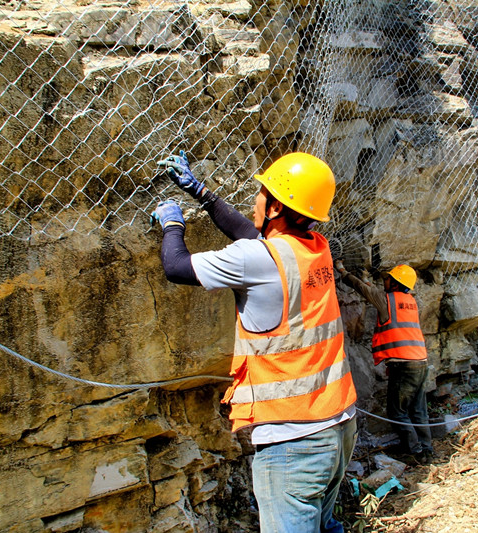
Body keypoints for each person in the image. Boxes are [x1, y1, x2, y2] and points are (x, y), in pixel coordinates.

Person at [151, 151, 358, 533]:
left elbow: (176, 267)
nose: (255, 199)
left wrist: (172, 224)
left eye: (262, 193)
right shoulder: (316, 247)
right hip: (339, 426)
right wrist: (203, 194)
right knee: (325, 525)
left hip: (294, 442)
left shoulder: (257, 258)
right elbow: (254, 236)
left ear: (276, 206)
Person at [334, 261, 433, 462]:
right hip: (420, 361)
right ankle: (426, 449)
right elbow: (376, 292)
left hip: (404, 365)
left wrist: (342, 270)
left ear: (395, 283)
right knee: (418, 409)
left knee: (397, 412)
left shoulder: (386, 300)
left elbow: (363, 290)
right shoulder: (410, 301)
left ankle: (414, 452)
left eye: (388, 278)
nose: (384, 280)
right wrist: (367, 279)